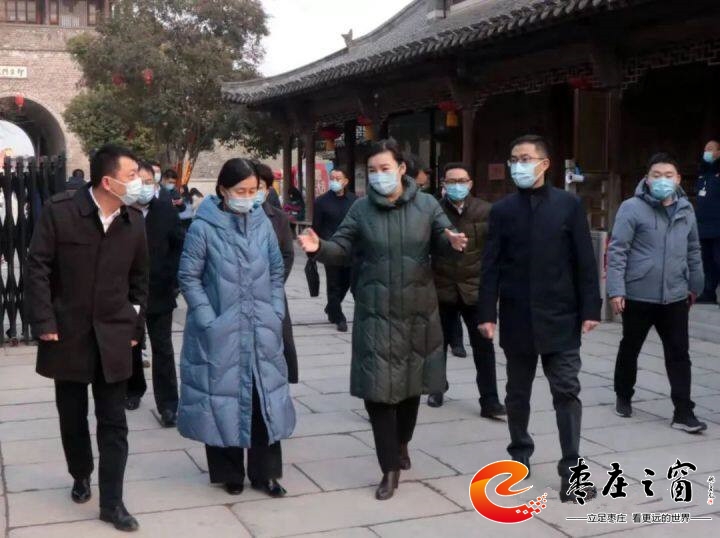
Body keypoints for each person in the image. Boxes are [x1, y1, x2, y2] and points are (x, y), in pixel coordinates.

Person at [298, 139, 467, 501]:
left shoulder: (427, 205)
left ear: (402, 169)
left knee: (409, 390)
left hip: (418, 312)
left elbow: (442, 238)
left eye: (384, 169)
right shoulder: (361, 209)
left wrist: (451, 240)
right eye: (372, 170)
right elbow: (341, 247)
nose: (378, 176)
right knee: (377, 393)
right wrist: (320, 248)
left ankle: (402, 443)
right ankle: (389, 467)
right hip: (375, 312)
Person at [26, 144, 148, 531]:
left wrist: (135, 329)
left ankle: (113, 503)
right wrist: (44, 320)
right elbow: (38, 267)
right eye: (132, 175)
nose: (139, 182)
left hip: (114, 336)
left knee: (114, 422)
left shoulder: (133, 220)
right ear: (108, 181)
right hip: (68, 334)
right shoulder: (61, 212)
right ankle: (80, 473)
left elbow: (140, 282)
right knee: (72, 415)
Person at [478, 135, 602, 504]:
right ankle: (519, 456)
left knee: (566, 391)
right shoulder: (502, 211)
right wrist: (487, 313)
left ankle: (571, 472)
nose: (519, 165)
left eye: (526, 158)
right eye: (514, 159)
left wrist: (591, 308)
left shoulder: (568, 205)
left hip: (561, 316)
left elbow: (584, 261)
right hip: (517, 315)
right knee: (517, 393)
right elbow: (490, 267)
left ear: (544, 164)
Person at [177, 158, 295, 498]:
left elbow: (276, 271)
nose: (248, 197)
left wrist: (275, 309)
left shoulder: (263, 224)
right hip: (221, 329)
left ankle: (266, 473)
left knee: (263, 399)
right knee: (222, 398)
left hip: (261, 326)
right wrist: (207, 318)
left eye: (253, 191)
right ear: (223, 190)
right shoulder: (203, 227)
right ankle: (229, 473)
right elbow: (189, 277)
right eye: (240, 191)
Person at [608, 152, 706, 433]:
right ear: (647, 179)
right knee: (631, 347)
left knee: (679, 354)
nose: (663, 180)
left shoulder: (686, 210)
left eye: (668, 175)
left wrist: (695, 285)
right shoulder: (631, 208)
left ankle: (683, 412)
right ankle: (623, 395)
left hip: (675, 295)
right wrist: (616, 290)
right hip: (638, 294)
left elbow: (693, 249)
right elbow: (618, 250)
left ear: (678, 179)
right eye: (657, 175)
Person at [428, 162, 505, 417]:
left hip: (475, 289)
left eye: (461, 181)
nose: (457, 186)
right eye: (451, 181)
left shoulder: (486, 210)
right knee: (437, 344)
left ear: (470, 183)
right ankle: (437, 388)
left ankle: (490, 401)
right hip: (442, 287)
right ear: (443, 185)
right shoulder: (434, 211)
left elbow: (494, 252)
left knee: (484, 348)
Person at [125, 161, 185, 426]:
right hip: (128, 293)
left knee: (163, 348)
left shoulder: (165, 210)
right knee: (131, 345)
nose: (145, 187)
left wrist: (173, 279)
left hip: (159, 290)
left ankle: (169, 404)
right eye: (140, 182)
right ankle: (133, 389)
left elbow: (178, 245)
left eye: (149, 182)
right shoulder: (122, 210)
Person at [254, 161, 299, 383]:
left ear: (268, 189)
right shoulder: (231, 216)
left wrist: (275, 281)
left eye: (260, 187)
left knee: (277, 342)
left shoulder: (278, 218)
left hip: (272, 291)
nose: (254, 192)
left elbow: (287, 254)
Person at [311, 167, 357, 332]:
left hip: (350, 248)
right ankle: (339, 317)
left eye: (338, 178)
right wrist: (315, 249)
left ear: (346, 181)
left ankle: (331, 307)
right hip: (330, 248)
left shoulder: (354, 201)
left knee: (347, 282)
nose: (334, 181)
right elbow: (316, 227)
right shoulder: (321, 202)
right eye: (332, 178)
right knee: (334, 284)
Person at [695, 140, 720, 304]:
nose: (707, 152)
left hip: (718, 226)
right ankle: (708, 292)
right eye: (705, 149)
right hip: (703, 226)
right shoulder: (703, 173)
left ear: (719, 152)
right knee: (707, 261)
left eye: (710, 149)